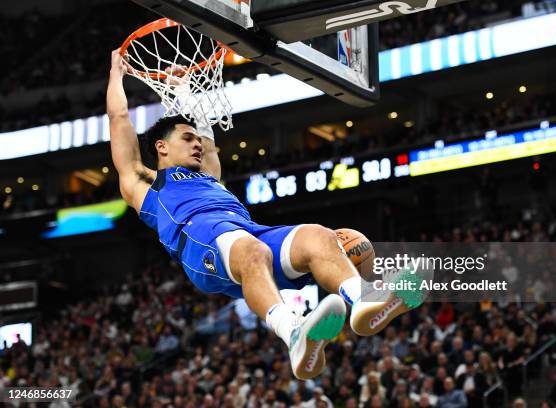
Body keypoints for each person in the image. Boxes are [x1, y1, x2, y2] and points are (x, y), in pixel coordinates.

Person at [106, 50, 417, 380]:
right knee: (251, 249)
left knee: (318, 235)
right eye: (188, 138)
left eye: (197, 138)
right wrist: (116, 74)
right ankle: (292, 332)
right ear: (161, 147)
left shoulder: (209, 173)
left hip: (249, 234)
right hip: (202, 243)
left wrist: (185, 91)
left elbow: (210, 143)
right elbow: (119, 119)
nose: (197, 144)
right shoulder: (142, 182)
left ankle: (362, 298)